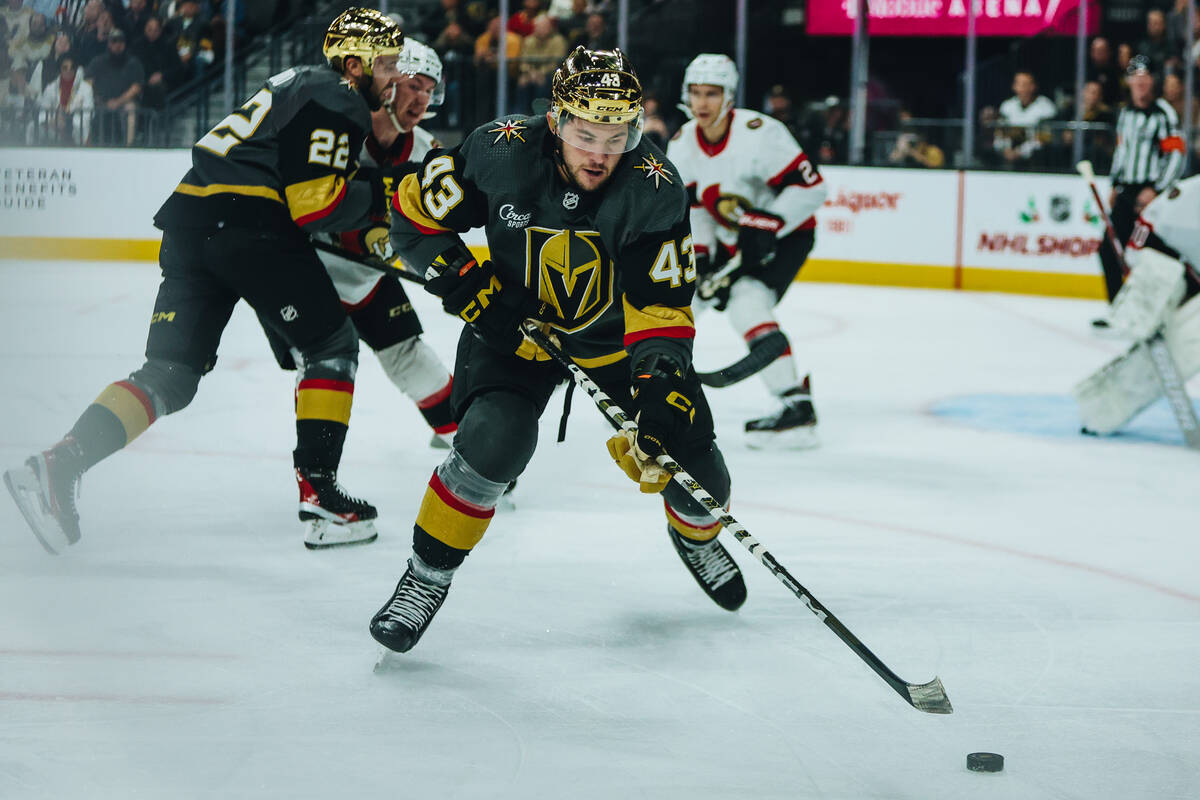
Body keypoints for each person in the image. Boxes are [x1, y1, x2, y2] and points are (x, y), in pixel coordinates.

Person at [369, 46, 746, 654]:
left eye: (616, 135)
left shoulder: (655, 185)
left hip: (615, 344)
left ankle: (697, 538)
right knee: (495, 441)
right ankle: (426, 577)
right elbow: (412, 220)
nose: (600, 152)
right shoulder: (498, 148)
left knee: (699, 474)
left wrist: (657, 381)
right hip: (512, 332)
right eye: (585, 132)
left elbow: (662, 304)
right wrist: (471, 289)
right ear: (556, 120)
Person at [3, 8, 404, 554]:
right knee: (331, 344)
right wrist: (390, 195)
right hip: (249, 227)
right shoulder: (337, 93)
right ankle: (322, 495)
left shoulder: (297, 84)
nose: (393, 76)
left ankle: (58, 463)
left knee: (170, 374)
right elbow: (315, 204)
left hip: (191, 224)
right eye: (384, 63)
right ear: (353, 63)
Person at [258, 37, 459, 449]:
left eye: (429, 89)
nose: (422, 97)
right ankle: (317, 474)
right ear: (386, 82)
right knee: (322, 365)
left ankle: (468, 441)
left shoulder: (426, 150)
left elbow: (435, 223)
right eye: (413, 84)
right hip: (311, 272)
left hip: (367, 275)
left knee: (409, 355)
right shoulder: (337, 127)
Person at [667, 54, 828, 449]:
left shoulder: (760, 133)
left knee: (747, 303)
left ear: (729, 96)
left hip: (785, 235)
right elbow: (695, 208)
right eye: (695, 92)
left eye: (712, 93)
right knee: (680, 298)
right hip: (729, 238)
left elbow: (812, 188)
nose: (702, 103)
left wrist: (770, 222)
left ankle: (795, 407)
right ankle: (652, 391)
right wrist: (701, 257)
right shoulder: (683, 142)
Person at [1096, 55, 1186, 324]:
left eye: (1145, 76)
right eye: (1135, 76)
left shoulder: (1164, 114)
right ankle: (1119, 311)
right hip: (1127, 191)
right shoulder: (1125, 114)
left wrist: (1156, 190)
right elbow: (1122, 151)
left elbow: (1176, 155)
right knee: (1108, 250)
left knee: (1157, 252)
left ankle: (1168, 311)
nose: (1141, 81)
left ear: (1153, 81)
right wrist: (1115, 183)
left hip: (1152, 196)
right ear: (1129, 81)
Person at [86, 28, 142, 145]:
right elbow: (88, 83)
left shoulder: (133, 62)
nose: (117, 45)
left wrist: (118, 102)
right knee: (87, 106)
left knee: (130, 108)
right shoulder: (98, 61)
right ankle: (88, 145)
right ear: (109, 43)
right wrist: (98, 99)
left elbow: (136, 87)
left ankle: (129, 145)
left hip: (123, 103)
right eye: (114, 41)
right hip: (100, 102)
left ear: (125, 44)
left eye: (121, 41)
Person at [994, 71, 1057, 168]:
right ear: (1014, 87)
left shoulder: (1046, 107)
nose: (1021, 88)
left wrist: (1020, 152)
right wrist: (1006, 149)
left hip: (1037, 159)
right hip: (1008, 156)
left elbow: (1044, 137)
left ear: (1033, 86)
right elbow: (1000, 132)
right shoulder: (1007, 106)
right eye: (1018, 84)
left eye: (1025, 84)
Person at [35, 51, 92, 144]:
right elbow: (43, 112)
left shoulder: (86, 88)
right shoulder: (51, 88)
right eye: (65, 67)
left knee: (78, 129)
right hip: (53, 126)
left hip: (76, 125)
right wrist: (51, 121)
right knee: (32, 128)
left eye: (72, 67)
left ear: (76, 69)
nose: (68, 70)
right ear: (60, 69)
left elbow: (88, 115)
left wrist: (67, 122)